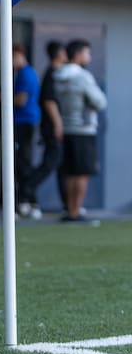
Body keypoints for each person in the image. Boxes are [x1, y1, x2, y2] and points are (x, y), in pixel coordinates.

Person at [53, 39, 107, 222]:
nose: (89, 57)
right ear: (77, 54)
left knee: (70, 171)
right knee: (82, 172)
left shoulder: (58, 75)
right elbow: (100, 101)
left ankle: (70, 210)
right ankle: (76, 211)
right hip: (83, 129)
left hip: (66, 128)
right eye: (87, 53)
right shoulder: (82, 76)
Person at [23, 40, 67, 214]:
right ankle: (26, 188)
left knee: (58, 164)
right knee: (50, 164)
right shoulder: (51, 74)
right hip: (50, 127)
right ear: (58, 53)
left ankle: (66, 204)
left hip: (51, 126)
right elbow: (49, 102)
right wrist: (58, 125)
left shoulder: (57, 73)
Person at [10, 44, 41, 218]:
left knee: (22, 163)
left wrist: (1, 97)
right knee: (22, 163)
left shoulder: (25, 74)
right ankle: (28, 202)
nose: (11, 62)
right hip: (25, 122)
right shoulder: (24, 73)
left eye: (13, 57)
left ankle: (27, 201)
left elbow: (20, 100)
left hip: (24, 122)